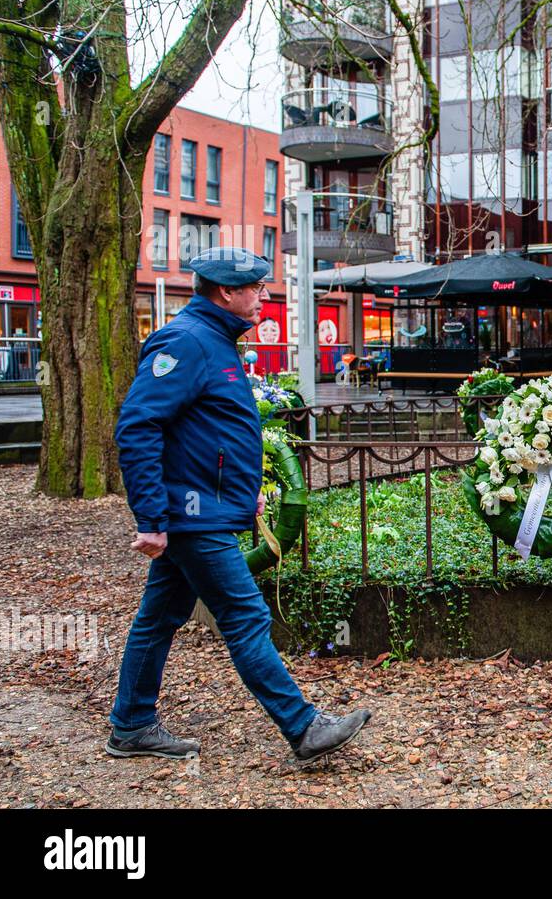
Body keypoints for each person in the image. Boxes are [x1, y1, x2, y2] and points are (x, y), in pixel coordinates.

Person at [109, 247, 372, 764]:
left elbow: (208, 431)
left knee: (159, 617)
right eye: (256, 287)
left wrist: (239, 490)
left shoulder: (215, 339)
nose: (264, 296)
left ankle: (131, 725)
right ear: (226, 292)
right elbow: (137, 426)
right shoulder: (186, 342)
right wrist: (151, 519)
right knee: (245, 613)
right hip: (189, 512)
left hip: (202, 506)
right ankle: (302, 727)